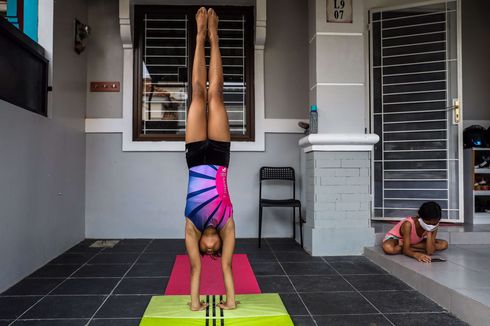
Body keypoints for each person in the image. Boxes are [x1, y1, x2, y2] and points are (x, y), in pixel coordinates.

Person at [184, 7, 237, 311]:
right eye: (214, 248)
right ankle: (214, 37)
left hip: (194, 157)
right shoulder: (227, 225)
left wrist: (195, 303)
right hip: (218, 156)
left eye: (206, 249)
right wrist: (229, 301)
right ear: (218, 247)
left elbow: (194, 270)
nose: (209, 244)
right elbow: (227, 268)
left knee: (196, 94)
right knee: (215, 94)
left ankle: (199, 34)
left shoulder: (192, 226)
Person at [382, 201, 448, 263]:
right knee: (388, 248)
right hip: (396, 239)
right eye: (428, 224)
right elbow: (430, 250)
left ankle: (404, 246)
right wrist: (417, 255)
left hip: (411, 242)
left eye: (434, 224)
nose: (431, 226)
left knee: (444, 244)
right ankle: (407, 247)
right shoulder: (408, 224)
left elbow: (430, 252)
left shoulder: (434, 226)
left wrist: (429, 232)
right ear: (419, 217)